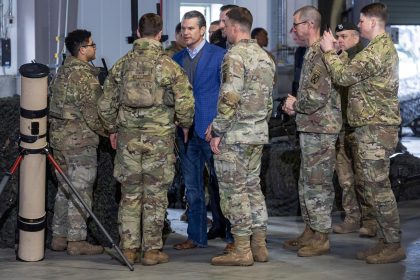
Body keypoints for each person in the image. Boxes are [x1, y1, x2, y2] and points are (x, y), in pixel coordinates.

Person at [97, 13, 194, 265]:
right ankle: (152, 250)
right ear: (160, 35)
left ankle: (128, 248)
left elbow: (105, 103)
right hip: (159, 140)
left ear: (138, 33)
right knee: (155, 195)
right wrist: (182, 124)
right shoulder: (169, 65)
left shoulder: (121, 65)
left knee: (129, 194)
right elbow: (185, 103)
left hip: (128, 139)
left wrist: (112, 129)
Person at [320, 3, 406, 264]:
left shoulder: (376, 52)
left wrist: (328, 53)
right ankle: (384, 240)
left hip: (375, 129)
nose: (358, 25)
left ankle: (392, 244)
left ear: (372, 22)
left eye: (361, 21)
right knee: (372, 187)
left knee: (379, 189)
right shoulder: (378, 49)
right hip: (373, 127)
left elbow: (344, 76)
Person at [209, 7, 275, 266]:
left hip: (235, 136)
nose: (222, 29)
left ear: (235, 27)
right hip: (257, 133)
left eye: (224, 24)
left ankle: (242, 250)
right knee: (253, 189)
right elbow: (268, 103)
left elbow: (230, 98)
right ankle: (259, 247)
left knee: (234, 193)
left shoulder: (234, 56)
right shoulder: (265, 56)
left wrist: (217, 130)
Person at [282, 6, 342, 257]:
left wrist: (296, 105)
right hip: (311, 125)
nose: (293, 30)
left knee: (318, 183)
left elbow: (318, 96)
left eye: (296, 24)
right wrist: (296, 101)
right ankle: (311, 229)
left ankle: (321, 236)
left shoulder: (320, 54)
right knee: (307, 181)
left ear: (309, 24)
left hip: (321, 127)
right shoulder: (310, 53)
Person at [171, 10, 230, 251]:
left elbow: (227, 93)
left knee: (223, 185)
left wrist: (217, 126)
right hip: (185, 133)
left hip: (210, 131)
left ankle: (233, 238)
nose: (186, 32)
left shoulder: (220, 56)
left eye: (191, 28)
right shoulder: (176, 59)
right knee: (192, 188)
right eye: (184, 28)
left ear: (203, 30)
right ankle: (195, 236)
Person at [49, 29, 105, 256]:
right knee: (81, 189)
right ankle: (76, 240)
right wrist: (110, 132)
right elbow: (93, 115)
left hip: (59, 140)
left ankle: (59, 237)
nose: (94, 48)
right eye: (91, 45)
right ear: (82, 49)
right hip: (79, 141)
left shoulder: (61, 72)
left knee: (64, 189)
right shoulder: (84, 77)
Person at [331, 22, 377, 237]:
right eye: (337, 36)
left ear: (356, 38)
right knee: (345, 178)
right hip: (341, 126)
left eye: (344, 36)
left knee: (364, 177)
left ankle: (369, 220)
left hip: (360, 127)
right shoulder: (337, 59)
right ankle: (352, 217)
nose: (340, 40)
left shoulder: (363, 58)